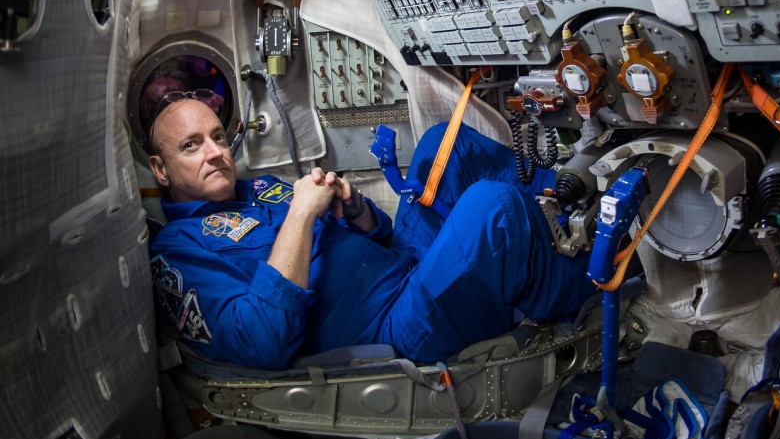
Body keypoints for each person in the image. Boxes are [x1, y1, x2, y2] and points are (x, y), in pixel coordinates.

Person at [147, 94, 594, 369]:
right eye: (192, 145)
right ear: (159, 170)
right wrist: (301, 215)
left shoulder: (260, 188)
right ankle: (590, 278)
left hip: (405, 261)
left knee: (445, 142)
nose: (214, 152)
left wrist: (357, 210)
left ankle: (566, 201)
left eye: (219, 137)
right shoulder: (178, 249)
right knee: (490, 206)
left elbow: (376, 235)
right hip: (391, 329)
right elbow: (261, 341)